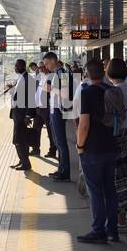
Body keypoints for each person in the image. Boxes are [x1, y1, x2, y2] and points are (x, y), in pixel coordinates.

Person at [75, 59, 123, 243]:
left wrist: (80, 146)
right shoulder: (113, 91)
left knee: (95, 192)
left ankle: (98, 231)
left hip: (92, 149)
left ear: (86, 74)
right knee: (110, 190)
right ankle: (112, 231)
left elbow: (84, 124)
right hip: (111, 145)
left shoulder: (87, 92)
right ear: (103, 73)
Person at [109, 58, 127, 227]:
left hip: (116, 137)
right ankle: (122, 219)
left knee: (115, 178)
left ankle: (116, 219)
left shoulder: (115, 91)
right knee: (126, 177)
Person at [41, 52, 72, 182]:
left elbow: (65, 94)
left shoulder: (62, 74)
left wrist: (50, 89)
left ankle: (64, 172)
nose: (46, 66)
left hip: (59, 111)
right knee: (58, 142)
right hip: (55, 110)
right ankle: (61, 169)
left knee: (61, 142)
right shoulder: (57, 74)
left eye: (47, 63)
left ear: (53, 61)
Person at [7, 58, 40, 172]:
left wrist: (28, 116)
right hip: (17, 112)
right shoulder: (21, 78)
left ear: (22, 66)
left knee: (19, 140)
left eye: (17, 66)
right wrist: (12, 89)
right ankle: (22, 160)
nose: (15, 68)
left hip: (22, 114)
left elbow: (31, 99)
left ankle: (26, 163)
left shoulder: (28, 79)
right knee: (20, 139)